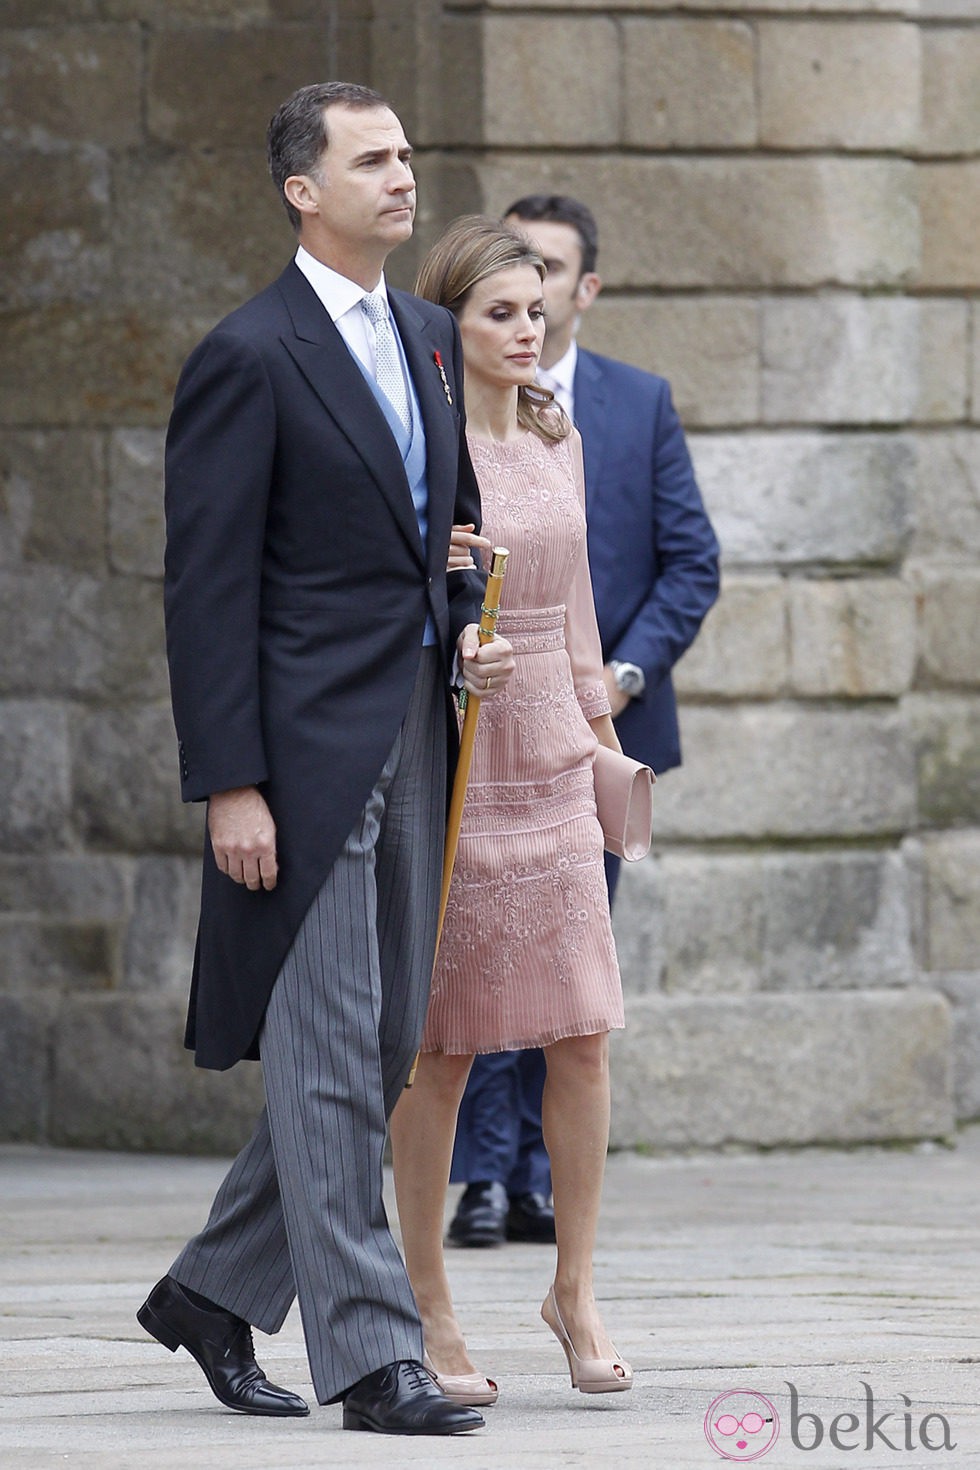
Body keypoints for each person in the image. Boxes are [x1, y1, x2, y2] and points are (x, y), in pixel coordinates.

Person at [136, 82, 515, 1438]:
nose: (404, 176)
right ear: (305, 189)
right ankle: (374, 1358)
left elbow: (447, 524)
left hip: (415, 719)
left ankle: (214, 1285)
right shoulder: (247, 353)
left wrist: (462, 614)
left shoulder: (422, 333)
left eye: (408, 152)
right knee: (332, 1052)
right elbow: (206, 584)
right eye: (373, 159)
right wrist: (227, 781)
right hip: (292, 752)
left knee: (381, 1039)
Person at [388, 214, 633, 1405]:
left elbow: (579, 602)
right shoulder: (421, 444)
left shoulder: (553, 430)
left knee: (582, 1034)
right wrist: (453, 643)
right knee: (441, 1051)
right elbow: (386, 597)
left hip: (548, 747)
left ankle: (573, 1290)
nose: (526, 332)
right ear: (449, 322)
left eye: (535, 310)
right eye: (500, 312)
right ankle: (425, 1300)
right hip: (457, 748)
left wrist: (600, 739)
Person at [448, 194, 721, 1250]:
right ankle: (480, 1179)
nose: (532, 299)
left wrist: (621, 676)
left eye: (548, 273)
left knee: (567, 983)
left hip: (591, 728)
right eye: (509, 282)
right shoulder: (444, 422)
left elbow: (689, 558)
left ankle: (532, 1179)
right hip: (481, 725)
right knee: (474, 968)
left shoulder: (631, 403)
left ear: (582, 287)